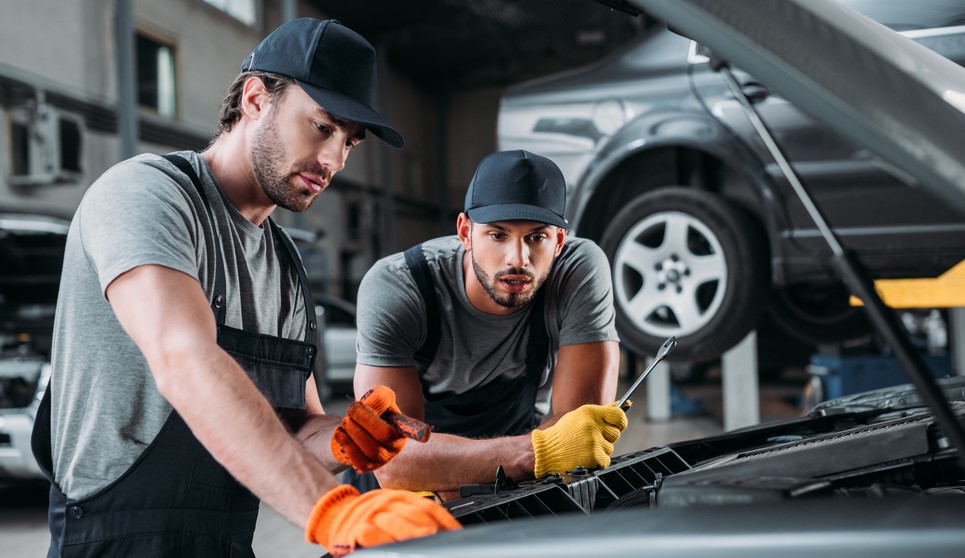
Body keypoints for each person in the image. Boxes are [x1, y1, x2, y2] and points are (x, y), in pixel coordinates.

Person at [32, 18, 459, 557]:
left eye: (350, 142)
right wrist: (331, 509)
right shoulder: (147, 194)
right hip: (115, 543)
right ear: (256, 99)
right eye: (323, 127)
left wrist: (345, 437)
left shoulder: (284, 263)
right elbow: (183, 358)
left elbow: (297, 428)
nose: (334, 161)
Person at [353, 149, 628, 497]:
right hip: (401, 495)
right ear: (465, 232)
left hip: (516, 483)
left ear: (559, 241)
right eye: (498, 235)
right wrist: (536, 452)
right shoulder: (398, 286)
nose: (517, 259)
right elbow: (393, 460)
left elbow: (576, 438)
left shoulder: (577, 271)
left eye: (536, 237)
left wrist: (449, 466)